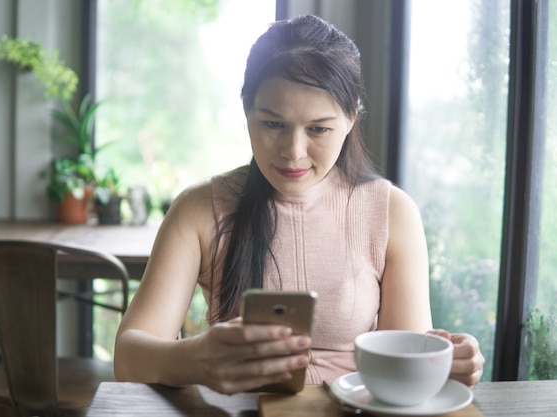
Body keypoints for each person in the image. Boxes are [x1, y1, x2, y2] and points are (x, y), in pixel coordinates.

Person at [114, 14, 485, 394]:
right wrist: (195, 360)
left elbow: (404, 366)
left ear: (350, 120)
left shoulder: (391, 212)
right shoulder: (199, 209)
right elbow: (128, 357)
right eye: (273, 124)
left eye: (318, 129)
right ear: (247, 113)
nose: (293, 152)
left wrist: (446, 364)